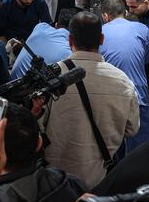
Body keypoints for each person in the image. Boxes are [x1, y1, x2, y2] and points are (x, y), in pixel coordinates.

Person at [43, 11, 139, 189]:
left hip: (55, 184)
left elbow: (38, 127)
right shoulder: (123, 81)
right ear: (102, 39)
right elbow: (132, 129)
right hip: (99, 182)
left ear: (70, 40)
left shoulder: (51, 77)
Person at [100, 0, 149, 152]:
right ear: (124, 11)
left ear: (105, 16)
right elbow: (145, 60)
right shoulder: (142, 29)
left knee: (113, 151)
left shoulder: (100, 33)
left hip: (112, 99)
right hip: (139, 97)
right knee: (143, 152)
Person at [10, 9, 76, 80]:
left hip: (12, 83)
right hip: (32, 89)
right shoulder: (69, 53)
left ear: (56, 25)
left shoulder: (40, 27)